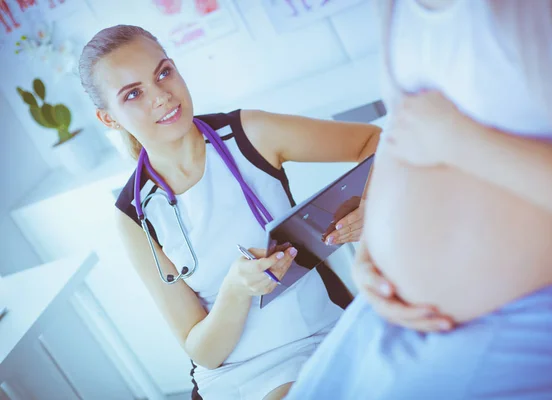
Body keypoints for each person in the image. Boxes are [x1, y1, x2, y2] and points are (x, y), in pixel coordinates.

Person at [286, 0, 552, 398]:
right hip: (385, 315)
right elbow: (406, 130)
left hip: (538, 317)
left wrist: (463, 143)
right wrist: (372, 255)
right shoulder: (399, 10)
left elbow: (436, 133)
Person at [78, 25, 380, 400]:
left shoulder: (249, 134)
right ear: (108, 118)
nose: (161, 97)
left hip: (316, 334)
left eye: (163, 73)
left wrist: (374, 205)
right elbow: (204, 352)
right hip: (237, 375)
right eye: (134, 93)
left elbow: (375, 141)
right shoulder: (134, 217)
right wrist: (236, 290)